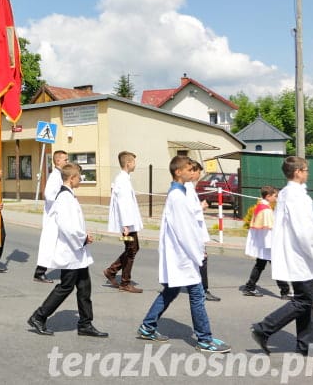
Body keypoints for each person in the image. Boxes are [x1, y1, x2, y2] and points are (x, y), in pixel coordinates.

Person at [137, 155, 231, 353]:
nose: (192, 172)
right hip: (183, 255)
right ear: (178, 172)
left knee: (171, 291)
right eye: (189, 169)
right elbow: (185, 232)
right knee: (197, 295)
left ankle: (147, 326)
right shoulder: (177, 197)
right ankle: (204, 339)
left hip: (181, 255)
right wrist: (197, 254)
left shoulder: (180, 194)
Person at [27, 163, 108, 338]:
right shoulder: (64, 198)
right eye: (79, 177)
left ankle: (85, 324)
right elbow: (66, 226)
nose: (81, 179)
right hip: (71, 251)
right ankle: (38, 316)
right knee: (65, 286)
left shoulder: (70, 196)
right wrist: (83, 238)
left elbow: (73, 224)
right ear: (71, 179)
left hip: (77, 251)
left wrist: (83, 236)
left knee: (84, 287)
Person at [251, 156, 313, 356]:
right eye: (305, 170)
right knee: (304, 301)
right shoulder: (298, 197)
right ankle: (264, 328)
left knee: (305, 300)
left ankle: (307, 345)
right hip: (301, 254)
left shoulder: (287, 194)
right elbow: (305, 231)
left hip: (295, 253)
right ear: (297, 172)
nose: (308, 173)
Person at [103, 151, 143, 293]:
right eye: (134, 162)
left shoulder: (124, 178)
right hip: (127, 223)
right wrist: (125, 225)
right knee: (132, 250)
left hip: (129, 221)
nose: (135, 164)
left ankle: (112, 271)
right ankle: (124, 281)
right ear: (128, 163)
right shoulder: (122, 180)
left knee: (133, 248)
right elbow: (122, 203)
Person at [243, 186, 291, 298]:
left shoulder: (261, 206)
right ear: (268, 196)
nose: (276, 198)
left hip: (263, 244)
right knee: (276, 266)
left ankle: (249, 287)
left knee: (260, 265)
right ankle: (285, 291)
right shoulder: (266, 209)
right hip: (268, 244)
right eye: (275, 196)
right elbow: (271, 229)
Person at [187, 160, 220, 302]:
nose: (199, 175)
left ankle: (196, 287)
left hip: (195, 231)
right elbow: (189, 212)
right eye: (198, 172)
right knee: (202, 259)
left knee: (196, 260)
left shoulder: (189, 187)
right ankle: (203, 290)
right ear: (192, 171)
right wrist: (201, 207)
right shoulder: (187, 189)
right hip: (193, 232)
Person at [34, 150, 68, 283]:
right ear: (58, 161)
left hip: (58, 216)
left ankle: (67, 270)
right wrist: (62, 199)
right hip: (52, 217)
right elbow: (48, 195)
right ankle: (39, 272)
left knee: (61, 244)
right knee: (49, 244)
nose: (67, 161)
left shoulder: (60, 175)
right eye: (65, 159)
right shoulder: (55, 176)